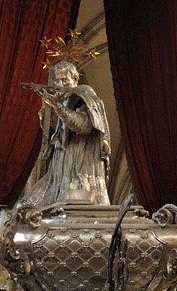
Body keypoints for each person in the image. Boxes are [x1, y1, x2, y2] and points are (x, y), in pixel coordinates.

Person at [20, 60, 110, 210]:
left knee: (72, 209)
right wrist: (47, 115)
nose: (59, 85)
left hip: (79, 167)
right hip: (59, 168)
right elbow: (56, 131)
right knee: (26, 207)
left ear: (74, 80)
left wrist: (59, 108)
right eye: (56, 81)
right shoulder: (63, 100)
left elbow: (85, 126)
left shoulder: (84, 96)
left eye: (64, 80)